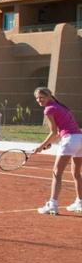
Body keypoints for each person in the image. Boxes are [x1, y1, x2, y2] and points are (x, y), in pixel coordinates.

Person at [33, 87, 82, 215]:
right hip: (79, 138)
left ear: (48, 96)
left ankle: (52, 204)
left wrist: (40, 146)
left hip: (70, 140)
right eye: (37, 98)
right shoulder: (61, 107)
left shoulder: (48, 109)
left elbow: (54, 132)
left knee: (57, 172)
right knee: (76, 173)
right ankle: (80, 202)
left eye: (41, 97)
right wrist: (48, 143)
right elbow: (62, 130)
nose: (39, 100)